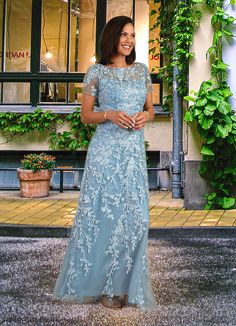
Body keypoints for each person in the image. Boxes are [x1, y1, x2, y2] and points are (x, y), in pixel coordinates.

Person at [53, 15, 157, 310]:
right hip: (105, 153)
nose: (129, 40)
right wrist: (110, 114)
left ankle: (128, 285)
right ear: (112, 37)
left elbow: (151, 109)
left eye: (133, 36)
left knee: (136, 219)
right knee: (106, 218)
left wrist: (144, 116)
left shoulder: (141, 71)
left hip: (132, 153)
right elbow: (86, 116)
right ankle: (106, 287)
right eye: (124, 35)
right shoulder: (96, 72)